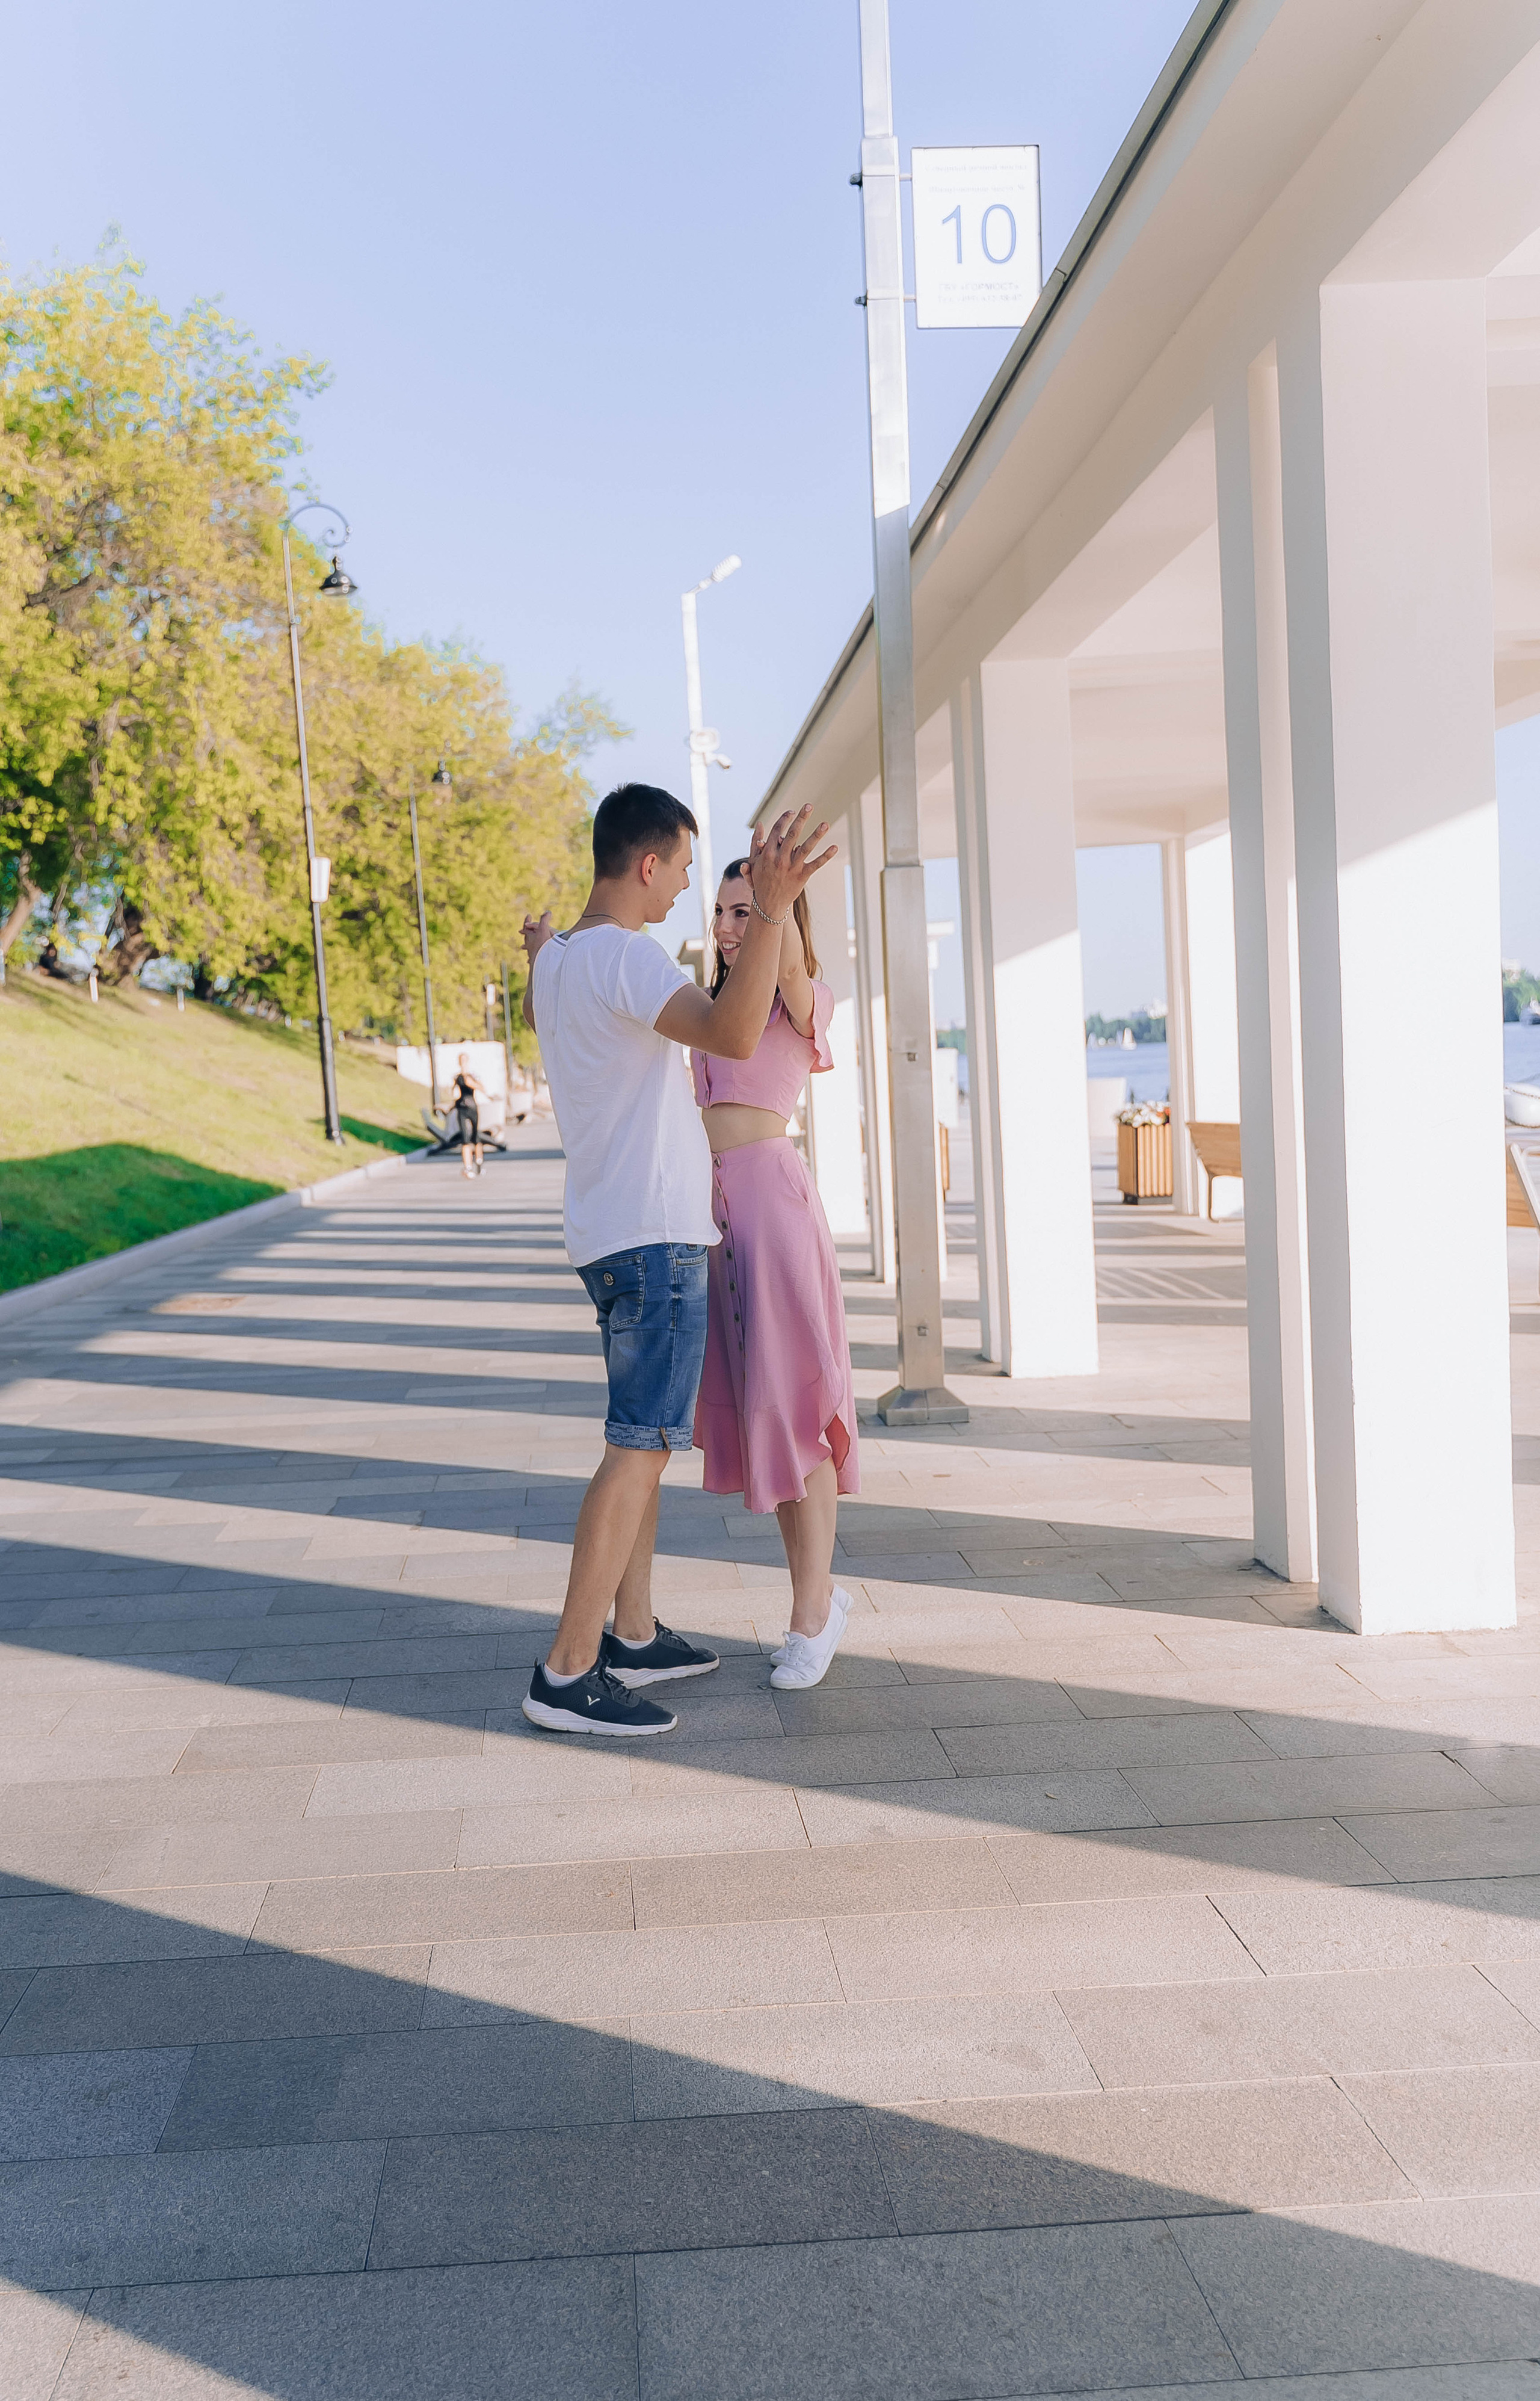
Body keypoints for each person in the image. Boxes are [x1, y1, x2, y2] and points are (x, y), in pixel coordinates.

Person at [519, 782, 834, 1737]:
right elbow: (733, 1031)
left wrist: (776, 927)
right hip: (656, 1236)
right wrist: (772, 906)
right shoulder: (628, 956)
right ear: (647, 864)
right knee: (640, 1447)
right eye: (688, 872)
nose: (692, 893)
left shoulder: (559, 961)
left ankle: (635, 1629)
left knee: (641, 1441)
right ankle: (570, 1670)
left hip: (609, 1233)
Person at [694, 860, 859, 1690]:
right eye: (723, 912)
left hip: (775, 1206)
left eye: (747, 912)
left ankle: (812, 1614)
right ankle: (817, 1599)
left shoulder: (805, 998)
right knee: (768, 1413)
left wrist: (777, 903)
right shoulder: (712, 1012)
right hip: (720, 1219)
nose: (732, 926)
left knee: (800, 1409)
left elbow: (789, 967)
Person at [451, 1051, 487, 1179]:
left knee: (476, 1138)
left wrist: (471, 1082)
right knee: (465, 1139)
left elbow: (482, 1088)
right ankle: (468, 1167)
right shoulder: (457, 1077)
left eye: (465, 1060)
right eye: (461, 1060)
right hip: (462, 1108)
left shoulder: (473, 1075)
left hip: (472, 1107)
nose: (463, 1063)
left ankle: (479, 1161)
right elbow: (453, 1092)